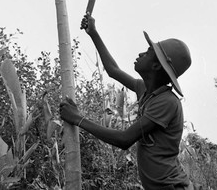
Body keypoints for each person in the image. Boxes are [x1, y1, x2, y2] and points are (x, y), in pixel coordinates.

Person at [60, 13, 193, 190]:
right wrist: (93, 33)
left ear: (156, 66)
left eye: (147, 53)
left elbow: (125, 139)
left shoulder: (167, 102)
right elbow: (113, 70)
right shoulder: (144, 90)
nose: (140, 54)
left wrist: (78, 119)